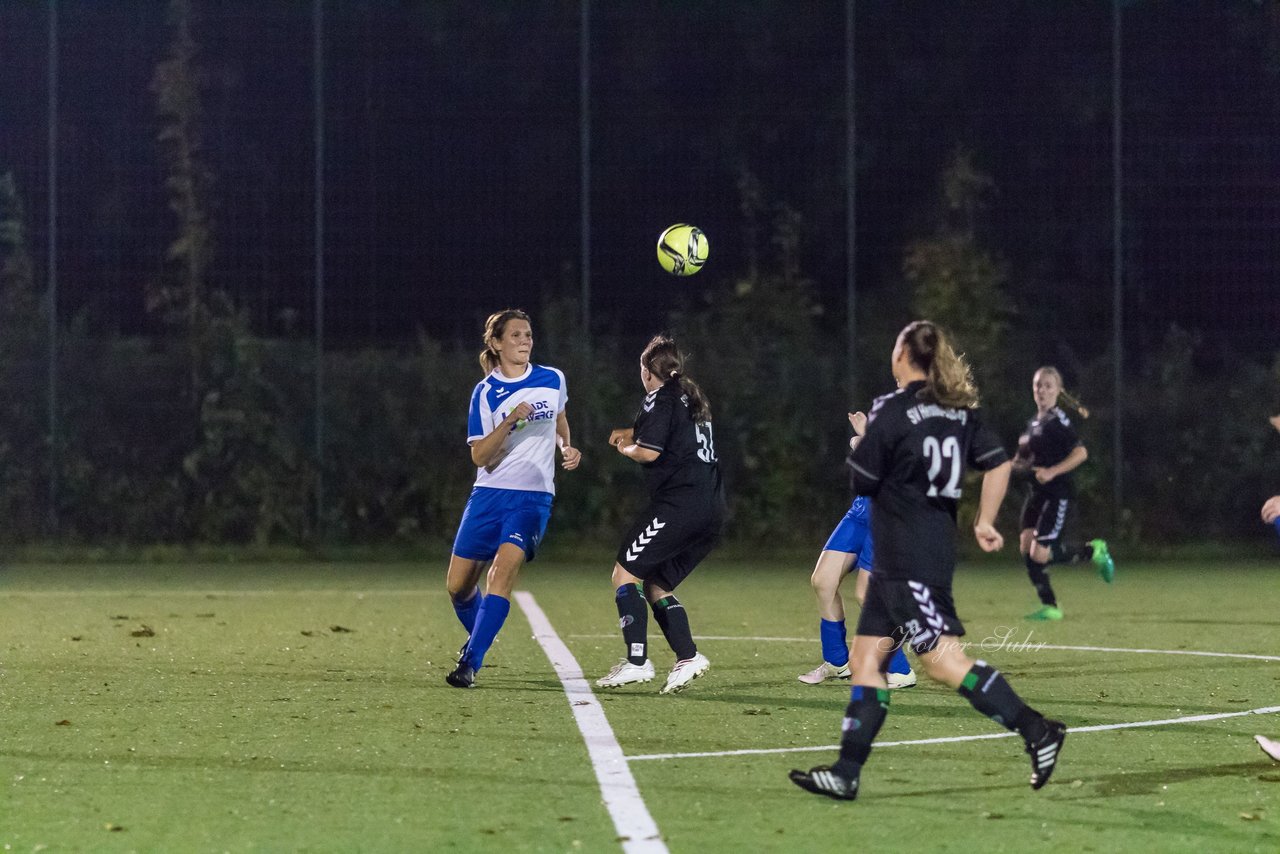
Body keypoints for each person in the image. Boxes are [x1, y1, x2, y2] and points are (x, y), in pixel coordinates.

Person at [790, 320, 1067, 801]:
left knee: (944, 663)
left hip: (907, 556)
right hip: (921, 550)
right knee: (864, 662)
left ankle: (1038, 732)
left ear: (904, 356)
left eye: (895, 345)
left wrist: (864, 442)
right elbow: (999, 462)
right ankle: (846, 772)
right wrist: (985, 520)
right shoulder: (958, 411)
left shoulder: (892, 410)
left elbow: (862, 480)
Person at [445, 309, 581, 688]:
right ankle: (480, 638)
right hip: (488, 495)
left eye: (529, 335)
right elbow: (480, 457)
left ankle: (470, 662)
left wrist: (567, 447)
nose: (525, 342)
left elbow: (560, 420)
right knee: (457, 588)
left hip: (532, 497)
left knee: (499, 575)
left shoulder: (552, 379)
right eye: (517, 336)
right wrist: (508, 422)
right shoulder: (485, 392)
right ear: (497, 343)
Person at [595, 335, 725, 695]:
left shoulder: (659, 398)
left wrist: (627, 447)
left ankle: (637, 662)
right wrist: (632, 432)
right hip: (711, 509)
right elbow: (670, 435)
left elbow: (649, 452)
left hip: (679, 506)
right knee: (657, 585)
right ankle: (688, 657)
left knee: (625, 574)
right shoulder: (689, 395)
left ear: (647, 371)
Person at [798, 410, 915, 689]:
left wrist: (863, 440)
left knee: (866, 594)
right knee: (823, 581)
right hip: (861, 511)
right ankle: (838, 662)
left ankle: (899, 669)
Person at [1013, 366, 1115, 621]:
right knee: (1026, 546)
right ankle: (1049, 605)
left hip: (1056, 493)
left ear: (1058, 391)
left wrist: (1052, 471)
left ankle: (1093, 552)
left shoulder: (1058, 422)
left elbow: (1081, 453)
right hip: (1035, 494)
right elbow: (1022, 460)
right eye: (1038, 385)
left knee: (1040, 552)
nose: (1042, 390)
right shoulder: (1033, 424)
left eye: (1048, 386)